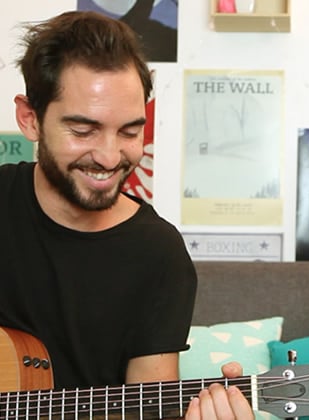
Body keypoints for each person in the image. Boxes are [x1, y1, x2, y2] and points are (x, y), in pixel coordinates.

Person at [0, 10, 253, 419]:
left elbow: (149, 405)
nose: (109, 157)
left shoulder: (158, 254)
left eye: (130, 131)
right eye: (83, 130)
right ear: (30, 119)